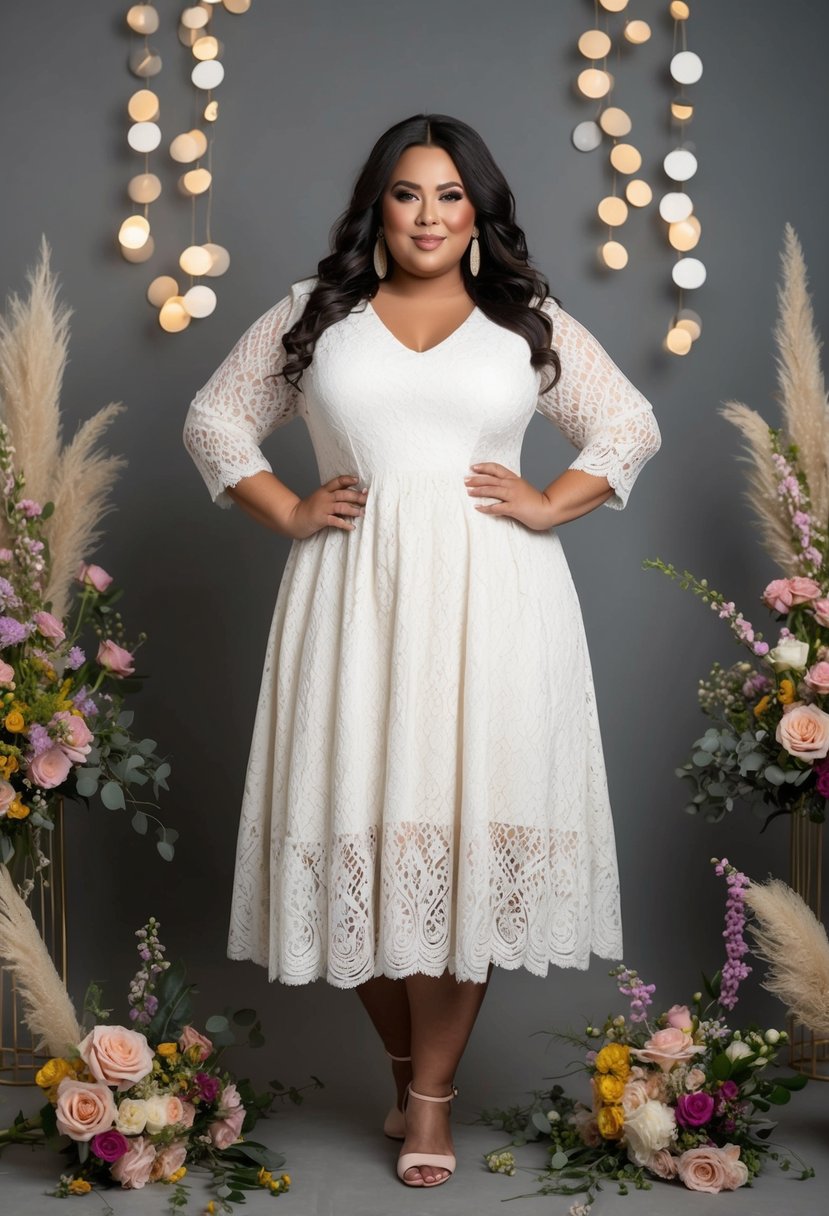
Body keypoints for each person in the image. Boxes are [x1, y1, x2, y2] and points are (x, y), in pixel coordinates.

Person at [182, 112, 661, 1189]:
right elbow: (215, 421)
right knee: (363, 833)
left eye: (450, 195)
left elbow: (626, 425)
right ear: (377, 207)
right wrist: (290, 509)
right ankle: (405, 1065)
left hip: (496, 607)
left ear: (478, 211)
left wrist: (549, 504)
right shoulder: (315, 316)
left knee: (463, 844)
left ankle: (432, 1102)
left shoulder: (522, 319)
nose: (429, 216)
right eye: (408, 194)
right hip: (352, 602)